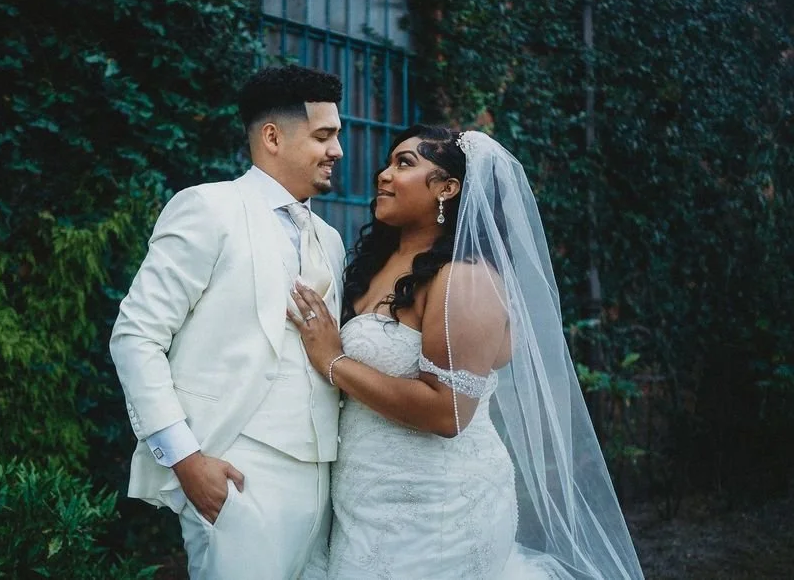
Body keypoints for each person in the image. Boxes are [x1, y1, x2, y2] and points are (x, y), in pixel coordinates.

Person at [290, 125, 645, 579]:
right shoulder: (373, 264)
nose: (383, 174)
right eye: (388, 161)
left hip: (438, 508)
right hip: (367, 497)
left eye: (404, 164)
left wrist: (334, 363)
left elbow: (449, 412)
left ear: (447, 187)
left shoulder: (465, 278)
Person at [109, 65, 346, 579]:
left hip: (325, 475)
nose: (337, 151)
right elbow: (135, 336)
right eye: (324, 136)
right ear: (272, 137)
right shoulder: (208, 208)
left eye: (338, 136)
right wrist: (185, 459)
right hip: (236, 468)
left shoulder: (330, 239)